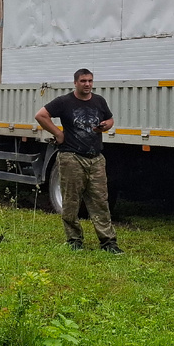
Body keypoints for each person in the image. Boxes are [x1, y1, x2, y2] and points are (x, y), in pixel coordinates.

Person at [34, 68, 122, 254]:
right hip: (71, 157)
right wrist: (58, 133)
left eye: (90, 80)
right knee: (71, 201)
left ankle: (108, 243)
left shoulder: (99, 101)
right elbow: (41, 115)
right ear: (75, 83)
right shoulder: (64, 102)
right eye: (83, 81)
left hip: (96, 158)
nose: (87, 84)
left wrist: (106, 126)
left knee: (100, 201)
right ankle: (74, 240)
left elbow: (110, 119)